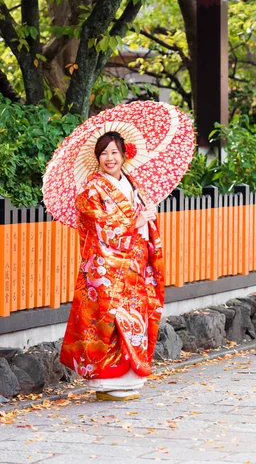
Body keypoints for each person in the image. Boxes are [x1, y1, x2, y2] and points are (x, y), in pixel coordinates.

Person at [59, 131, 164, 401]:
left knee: (134, 320)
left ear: (124, 155)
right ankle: (106, 381)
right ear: (97, 158)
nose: (109, 158)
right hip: (106, 269)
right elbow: (98, 226)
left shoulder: (133, 184)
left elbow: (142, 222)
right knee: (110, 322)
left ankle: (130, 379)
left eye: (114, 152)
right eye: (104, 153)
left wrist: (149, 218)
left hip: (135, 266)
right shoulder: (92, 190)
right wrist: (136, 222)